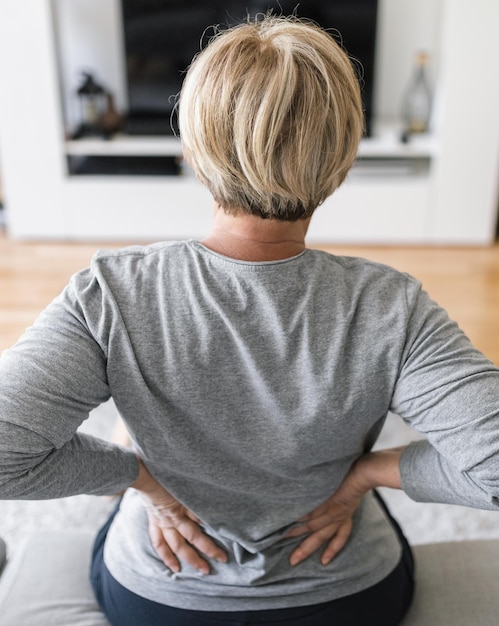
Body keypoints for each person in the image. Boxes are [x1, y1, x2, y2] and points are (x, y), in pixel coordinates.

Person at [1, 14, 498, 626]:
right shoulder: (393, 307)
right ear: (341, 154)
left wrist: (136, 476)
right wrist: (368, 474)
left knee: (128, 473)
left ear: (192, 145)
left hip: (165, 603)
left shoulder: (110, 293)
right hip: (344, 603)